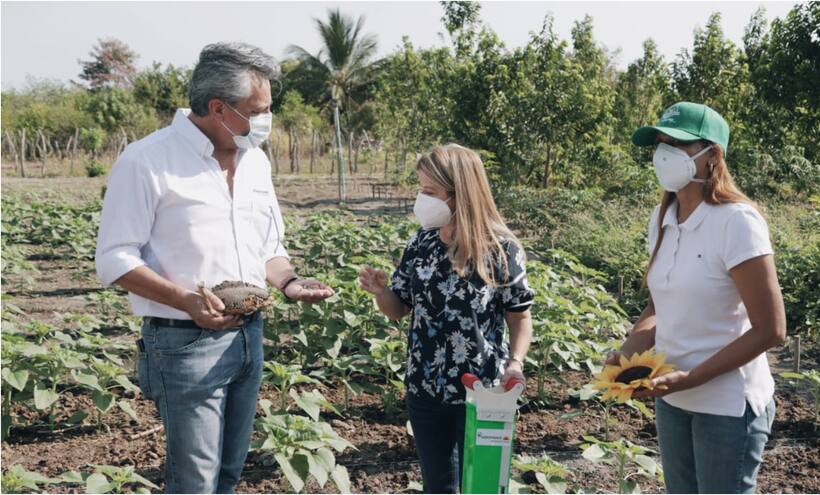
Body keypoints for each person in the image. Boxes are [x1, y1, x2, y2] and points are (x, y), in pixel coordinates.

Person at [94, 42, 334, 493]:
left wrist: (290, 282)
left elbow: (269, 248)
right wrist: (186, 300)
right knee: (195, 481)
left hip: (248, 336)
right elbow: (114, 257)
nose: (266, 120)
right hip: (185, 343)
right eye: (257, 110)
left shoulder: (255, 162)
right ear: (218, 107)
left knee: (227, 474)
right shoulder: (147, 161)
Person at [609, 102, 786, 494]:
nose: (664, 153)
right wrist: (627, 352)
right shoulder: (662, 221)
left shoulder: (736, 222)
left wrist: (691, 378)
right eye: (660, 143)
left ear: (712, 156)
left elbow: (771, 329)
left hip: (725, 406)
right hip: (672, 399)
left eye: (678, 143)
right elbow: (659, 307)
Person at [358, 144, 534, 493]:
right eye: (420, 189)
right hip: (425, 387)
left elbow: (519, 316)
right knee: (438, 486)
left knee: (483, 485)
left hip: (484, 391)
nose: (421, 200)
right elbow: (399, 308)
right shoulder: (421, 242)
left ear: (460, 194)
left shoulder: (501, 249)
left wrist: (515, 363)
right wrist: (382, 293)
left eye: (430, 192)